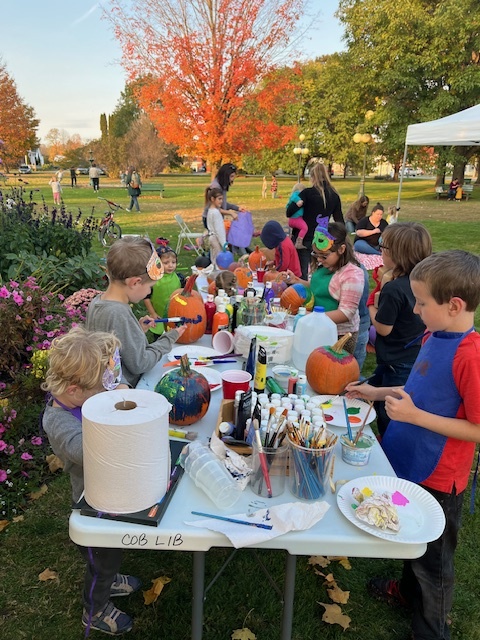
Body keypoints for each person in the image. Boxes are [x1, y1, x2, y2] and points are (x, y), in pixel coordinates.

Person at [346, 250, 480, 640]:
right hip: (409, 459)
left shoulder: (470, 356)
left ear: (454, 306)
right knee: (411, 534)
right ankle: (406, 594)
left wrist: (416, 418)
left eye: (422, 303)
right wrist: (376, 391)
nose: (416, 310)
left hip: (440, 476)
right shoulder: (435, 334)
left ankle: (431, 630)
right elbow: (419, 388)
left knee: (434, 562)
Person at [42, 327, 139, 636]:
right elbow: (92, 452)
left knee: (111, 550)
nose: (107, 392)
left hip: (109, 491)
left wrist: (115, 389)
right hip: (91, 502)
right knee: (101, 561)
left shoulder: (82, 398)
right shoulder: (59, 424)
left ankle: (110, 579)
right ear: (74, 390)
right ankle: (95, 610)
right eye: (102, 388)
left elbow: (107, 394)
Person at [85, 236, 187, 387]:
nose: (148, 292)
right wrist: (168, 339)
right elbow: (140, 363)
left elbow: (115, 343)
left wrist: (137, 330)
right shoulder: (119, 313)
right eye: (149, 287)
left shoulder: (98, 302)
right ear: (135, 282)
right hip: (123, 391)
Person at [367, 222, 433, 436]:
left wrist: (370, 306)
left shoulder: (394, 289)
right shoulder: (424, 282)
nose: (380, 252)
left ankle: (388, 446)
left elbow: (383, 329)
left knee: (389, 411)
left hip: (395, 361)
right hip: (414, 356)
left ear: (395, 254)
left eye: (382, 248)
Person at [284, 219, 364, 354]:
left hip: (338, 336)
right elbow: (318, 288)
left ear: (341, 249)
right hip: (318, 327)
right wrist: (297, 280)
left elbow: (346, 313)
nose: (319, 259)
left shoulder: (352, 275)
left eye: (324, 256)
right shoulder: (325, 266)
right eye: (316, 255)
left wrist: (312, 317)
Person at [286, 162, 344, 280]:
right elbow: (339, 220)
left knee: (301, 272)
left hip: (304, 238)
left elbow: (289, 212)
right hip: (322, 237)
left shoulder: (307, 193)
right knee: (322, 270)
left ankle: (301, 294)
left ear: (313, 177)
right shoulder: (334, 195)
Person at [144, 238, 186, 337]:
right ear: (157, 263)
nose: (170, 266)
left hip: (175, 313)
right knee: (159, 338)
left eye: (173, 262)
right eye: (166, 263)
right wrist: (153, 313)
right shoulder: (153, 280)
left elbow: (185, 294)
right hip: (158, 315)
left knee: (175, 336)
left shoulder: (179, 278)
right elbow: (146, 298)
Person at [202, 163, 245, 228]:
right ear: (225, 175)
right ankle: (201, 238)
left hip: (218, 218)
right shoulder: (215, 187)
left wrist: (237, 208)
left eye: (233, 176)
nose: (232, 179)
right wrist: (230, 213)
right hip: (210, 219)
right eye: (231, 176)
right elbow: (214, 208)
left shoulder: (223, 185)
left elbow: (222, 204)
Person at [205, 187, 227, 269]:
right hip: (216, 239)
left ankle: (213, 277)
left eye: (222, 199)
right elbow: (219, 230)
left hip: (212, 238)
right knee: (218, 262)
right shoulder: (216, 213)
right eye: (219, 199)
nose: (221, 201)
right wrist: (224, 244)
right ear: (212, 199)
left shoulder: (210, 210)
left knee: (213, 259)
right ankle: (216, 278)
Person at [286, 182, 308, 249]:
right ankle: (299, 242)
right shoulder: (298, 194)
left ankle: (290, 238)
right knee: (304, 228)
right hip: (296, 218)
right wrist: (298, 201)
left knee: (294, 231)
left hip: (292, 219)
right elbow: (294, 196)